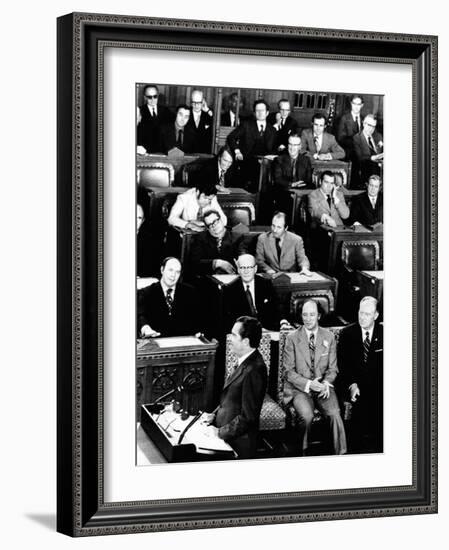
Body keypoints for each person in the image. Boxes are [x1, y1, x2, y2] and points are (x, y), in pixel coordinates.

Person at [283, 299, 347, 455]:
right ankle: (301, 453)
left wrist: (325, 383)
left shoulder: (329, 336)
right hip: (300, 389)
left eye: (312, 314)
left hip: (323, 387)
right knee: (306, 416)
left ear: (319, 315)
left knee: (335, 414)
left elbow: (333, 369)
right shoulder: (292, 338)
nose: (308, 318)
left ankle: (341, 454)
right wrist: (309, 384)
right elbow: (288, 372)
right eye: (305, 315)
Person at [206, 316, 267, 459]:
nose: (229, 338)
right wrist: (214, 416)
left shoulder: (255, 370)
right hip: (226, 433)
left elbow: (248, 418)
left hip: (238, 444)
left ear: (245, 341)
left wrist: (219, 433)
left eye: (234, 335)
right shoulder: (243, 361)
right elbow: (230, 398)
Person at [337, 297, 383, 453]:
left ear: (376, 315)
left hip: (378, 386)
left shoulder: (385, 334)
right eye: (360, 313)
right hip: (354, 385)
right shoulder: (347, 334)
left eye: (367, 314)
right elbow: (342, 366)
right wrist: (352, 384)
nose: (362, 317)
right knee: (360, 413)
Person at [137, 257, 201, 337]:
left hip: (183, 341)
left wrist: (198, 332)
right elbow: (140, 315)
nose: (173, 275)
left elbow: (197, 318)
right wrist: (146, 328)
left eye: (177, 272)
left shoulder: (190, 292)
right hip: (156, 341)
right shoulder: (146, 293)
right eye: (170, 270)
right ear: (162, 270)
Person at [227, 99, 277, 191]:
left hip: (265, 165)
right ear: (254, 113)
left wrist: (271, 156)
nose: (260, 113)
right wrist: (237, 152)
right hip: (247, 162)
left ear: (267, 113)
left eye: (262, 110)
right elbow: (231, 137)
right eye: (257, 110)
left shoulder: (272, 130)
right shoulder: (246, 125)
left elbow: (274, 149)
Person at [225, 253, 279, 331]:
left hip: (267, 329)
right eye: (243, 268)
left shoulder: (266, 284)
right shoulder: (230, 289)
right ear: (238, 270)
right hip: (244, 332)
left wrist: (282, 321)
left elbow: (276, 307)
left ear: (255, 269)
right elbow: (229, 320)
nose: (246, 271)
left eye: (249, 267)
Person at [189, 210, 243, 275]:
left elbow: (243, 260)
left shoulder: (236, 237)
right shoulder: (200, 238)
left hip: (232, 277)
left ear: (221, 220)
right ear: (207, 228)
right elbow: (194, 263)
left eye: (215, 221)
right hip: (209, 278)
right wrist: (217, 263)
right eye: (209, 224)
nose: (214, 226)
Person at [272, 133, 313, 216]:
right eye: (290, 144)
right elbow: (278, 179)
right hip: (285, 191)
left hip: (301, 192)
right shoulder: (279, 160)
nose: (292, 147)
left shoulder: (306, 160)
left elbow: (308, 180)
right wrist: (292, 184)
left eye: (295, 145)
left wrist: (299, 187)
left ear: (300, 146)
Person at [136, 84, 174, 154]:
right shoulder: (139, 111)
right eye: (149, 97)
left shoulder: (166, 111)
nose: (153, 99)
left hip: (163, 153)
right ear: (144, 97)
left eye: (155, 96)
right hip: (145, 153)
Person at [353, 114, 384, 183]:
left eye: (373, 126)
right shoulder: (357, 138)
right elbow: (359, 157)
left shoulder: (378, 136)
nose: (371, 129)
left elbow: (381, 150)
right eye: (369, 125)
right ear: (364, 123)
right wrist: (373, 158)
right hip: (366, 171)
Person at [186, 89, 214, 153]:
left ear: (203, 101)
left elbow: (215, 126)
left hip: (204, 153)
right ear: (191, 102)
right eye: (194, 102)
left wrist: (207, 110)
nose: (196, 105)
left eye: (199, 103)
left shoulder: (208, 115)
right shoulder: (186, 113)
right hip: (188, 153)